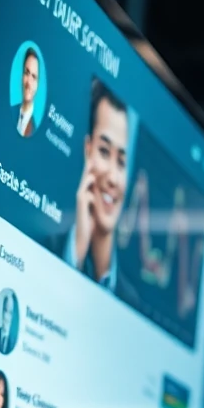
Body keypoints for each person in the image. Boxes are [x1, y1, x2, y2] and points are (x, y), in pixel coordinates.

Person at [62, 79, 139, 308]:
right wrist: (74, 257)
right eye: (104, 151)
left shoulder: (132, 302)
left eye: (121, 162)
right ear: (88, 151)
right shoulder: (52, 248)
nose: (113, 178)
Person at [14, 47, 40, 138]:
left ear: (37, 85)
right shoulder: (9, 111)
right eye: (26, 73)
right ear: (22, 76)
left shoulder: (35, 131)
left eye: (34, 77)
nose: (29, 82)